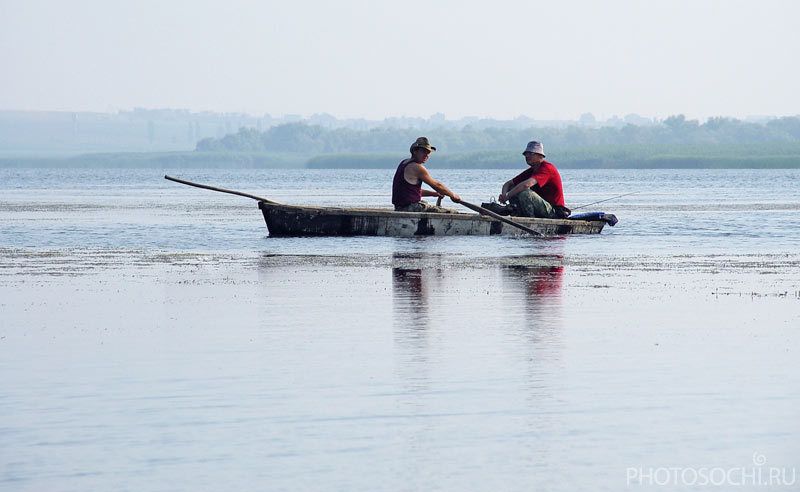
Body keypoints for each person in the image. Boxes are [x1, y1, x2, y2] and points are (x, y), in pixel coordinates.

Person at [492, 141, 570, 218]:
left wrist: (508, 196)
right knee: (514, 189)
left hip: (554, 211)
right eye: (526, 154)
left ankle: (530, 220)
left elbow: (526, 185)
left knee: (526, 193)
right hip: (541, 209)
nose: (527, 156)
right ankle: (518, 215)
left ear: (540, 155)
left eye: (531, 154)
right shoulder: (532, 170)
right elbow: (508, 184)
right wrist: (504, 195)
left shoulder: (547, 168)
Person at [391, 137, 461, 213]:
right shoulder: (417, 167)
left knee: (425, 203)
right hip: (410, 208)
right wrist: (452, 195)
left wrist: (434, 194)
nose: (426, 155)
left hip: (399, 208)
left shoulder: (404, 162)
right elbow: (437, 185)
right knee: (453, 212)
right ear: (415, 151)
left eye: (428, 153)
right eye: (424, 152)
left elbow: (411, 192)